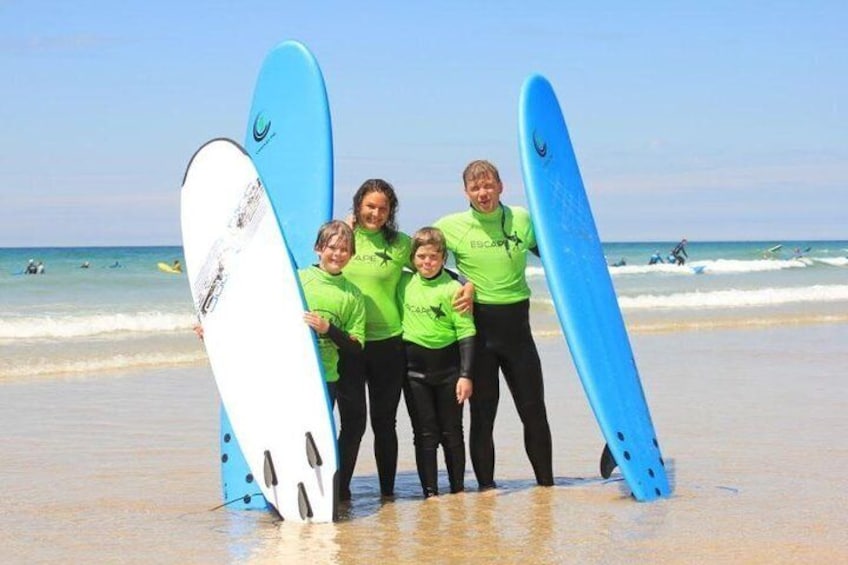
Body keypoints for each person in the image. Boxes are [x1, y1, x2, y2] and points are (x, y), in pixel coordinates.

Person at [339, 178, 474, 501]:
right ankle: (339, 490)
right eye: (370, 206)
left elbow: (431, 268)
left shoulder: (400, 244)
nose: (376, 213)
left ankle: (387, 493)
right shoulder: (343, 238)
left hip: (389, 344)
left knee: (385, 422)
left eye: (383, 208)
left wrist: (467, 284)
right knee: (353, 423)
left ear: (391, 211)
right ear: (358, 205)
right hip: (349, 343)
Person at [434, 159, 554, 490]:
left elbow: (554, 254)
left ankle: (547, 489)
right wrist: (461, 282)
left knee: (534, 412)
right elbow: (421, 260)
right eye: (476, 188)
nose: (483, 193)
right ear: (465, 192)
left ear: (501, 186)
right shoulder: (451, 226)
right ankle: (486, 491)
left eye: (489, 185)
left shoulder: (521, 219)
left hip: (518, 331)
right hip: (479, 334)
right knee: (483, 418)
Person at [398, 227, 475, 497]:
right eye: (420, 257)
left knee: (452, 433)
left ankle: (458, 490)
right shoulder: (403, 283)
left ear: (443, 258)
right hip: (413, 373)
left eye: (433, 257)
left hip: (449, 372)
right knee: (425, 435)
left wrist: (466, 375)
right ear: (412, 258)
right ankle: (430, 494)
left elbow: (466, 332)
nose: (426, 262)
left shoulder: (454, 288)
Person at [298, 220, 366, 405]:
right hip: (292, 373)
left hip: (326, 377)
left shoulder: (353, 295)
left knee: (318, 435)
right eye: (332, 247)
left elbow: (356, 346)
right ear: (318, 248)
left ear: (351, 254)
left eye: (344, 249)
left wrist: (328, 329)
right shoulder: (297, 279)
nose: (338, 254)